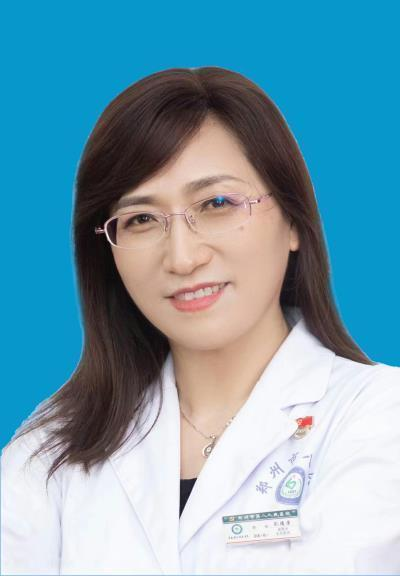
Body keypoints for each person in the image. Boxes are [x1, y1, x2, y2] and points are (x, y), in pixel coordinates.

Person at [1, 66, 399, 576]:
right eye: (141, 219)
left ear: (294, 221)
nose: (183, 258)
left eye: (217, 203)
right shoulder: (50, 450)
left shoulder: (379, 418)